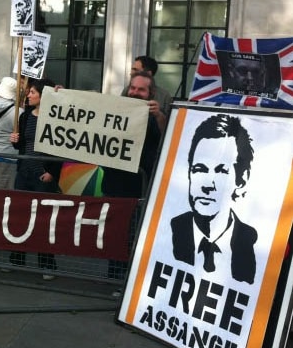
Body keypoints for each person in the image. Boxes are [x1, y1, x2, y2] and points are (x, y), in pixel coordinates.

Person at [171, 114, 257, 284]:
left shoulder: (251, 243)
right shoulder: (172, 229)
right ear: (189, 174)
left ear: (242, 180)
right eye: (199, 169)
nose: (207, 184)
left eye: (221, 171)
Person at [102, 71, 162, 281]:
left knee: (132, 237)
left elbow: (167, 135)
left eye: (141, 89)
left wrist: (159, 115)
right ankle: (114, 276)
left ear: (150, 93)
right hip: (112, 185)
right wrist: (62, 96)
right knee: (113, 234)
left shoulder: (155, 117)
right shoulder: (115, 109)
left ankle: (128, 281)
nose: (135, 92)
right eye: (133, 88)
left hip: (138, 189)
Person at [10, 78, 61, 280]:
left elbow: (59, 146)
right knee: (20, 216)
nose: (28, 95)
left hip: (43, 175)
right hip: (24, 173)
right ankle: (17, 259)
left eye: (32, 92)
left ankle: (47, 264)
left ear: (43, 95)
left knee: (43, 219)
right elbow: (22, 144)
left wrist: (53, 172)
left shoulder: (54, 118)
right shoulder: (25, 117)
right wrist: (15, 141)